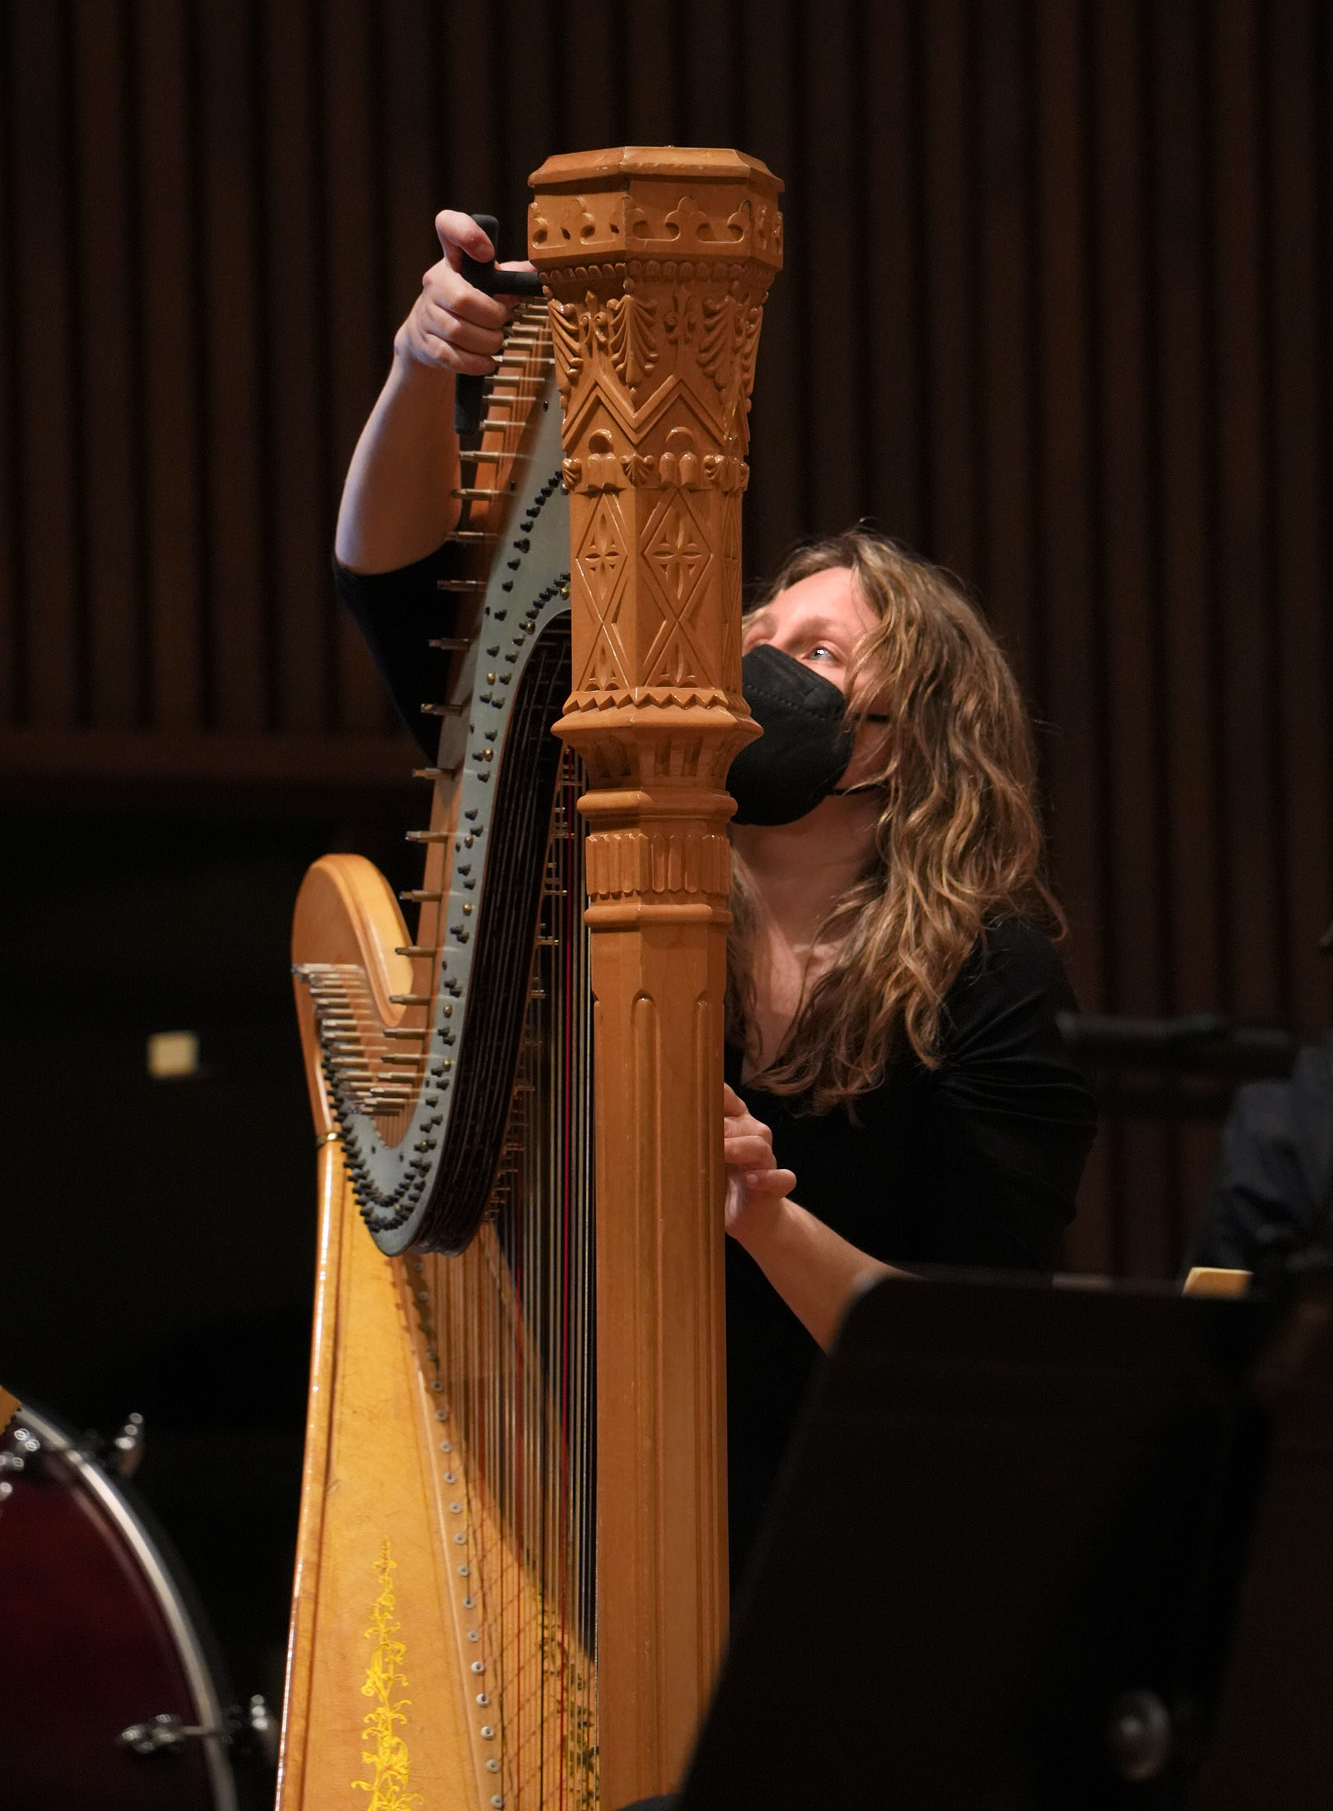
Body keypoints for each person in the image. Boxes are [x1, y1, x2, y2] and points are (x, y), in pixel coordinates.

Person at [335, 209, 1098, 1581]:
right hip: (567, 1486)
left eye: (816, 651)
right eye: (752, 634)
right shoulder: (582, 845)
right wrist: (419, 371)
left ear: (906, 741)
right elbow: (395, 586)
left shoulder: (990, 978)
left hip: (846, 1540)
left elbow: (977, 1354)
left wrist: (763, 1217)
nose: (759, 663)